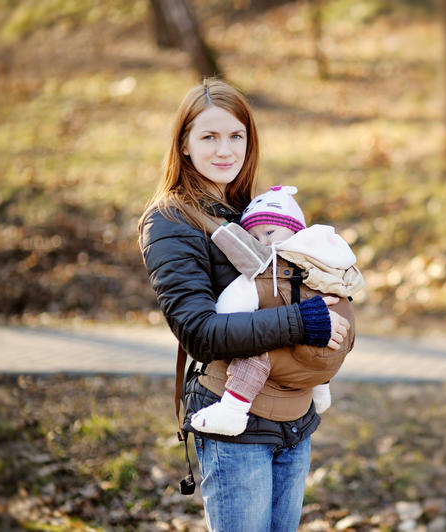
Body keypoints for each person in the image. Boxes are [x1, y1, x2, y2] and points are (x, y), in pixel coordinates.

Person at [138, 78, 351, 532]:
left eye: (236, 136)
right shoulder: (170, 220)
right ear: (185, 144)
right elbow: (201, 332)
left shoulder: (253, 212)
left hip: (294, 421)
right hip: (236, 429)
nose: (225, 150)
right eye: (209, 136)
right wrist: (303, 321)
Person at [190, 184, 364, 437]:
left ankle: (232, 411)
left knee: (252, 352)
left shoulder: (272, 268)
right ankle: (321, 388)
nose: (265, 242)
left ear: (294, 229)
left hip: (309, 357)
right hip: (331, 359)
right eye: (256, 238)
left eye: (270, 231)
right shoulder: (329, 261)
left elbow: (228, 309)